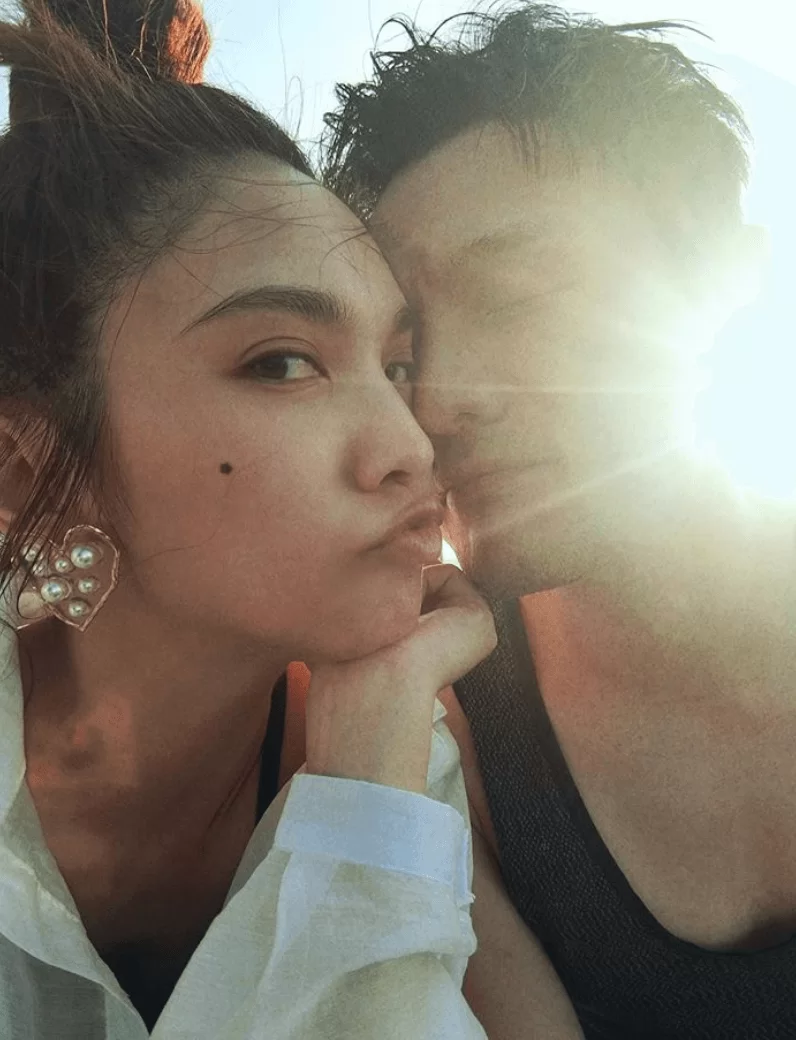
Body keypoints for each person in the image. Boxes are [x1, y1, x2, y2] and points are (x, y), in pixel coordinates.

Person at [0, 1, 500, 1037]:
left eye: (398, 365)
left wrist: (366, 793)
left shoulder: (395, 740)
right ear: (29, 461)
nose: (410, 443)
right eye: (282, 364)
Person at [324, 4, 796, 1038]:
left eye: (517, 295)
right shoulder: (450, 731)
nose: (436, 403)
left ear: (728, 281)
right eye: (405, 351)